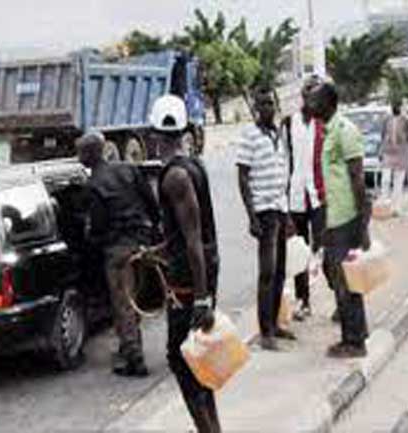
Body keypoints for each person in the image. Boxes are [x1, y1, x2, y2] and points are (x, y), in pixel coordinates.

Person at [150, 95, 221, 433]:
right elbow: (189, 234)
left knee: (181, 361)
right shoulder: (194, 166)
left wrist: (202, 299)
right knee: (198, 359)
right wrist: (161, 249)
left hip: (191, 281)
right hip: (200, 273)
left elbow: (193, 240)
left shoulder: (175, 176)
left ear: (154, 134)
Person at [76, 132, 160, 377]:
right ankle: (130, 347)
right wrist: (153, 230)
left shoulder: (94, 185)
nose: (79, 158)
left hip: (118, 250)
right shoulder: (128, 169)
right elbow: (151, 203)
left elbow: (99, 226)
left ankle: (134, 358)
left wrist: (92, 237)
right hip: (142, 245)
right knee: (135, 300)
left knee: (123, 303)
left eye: (81, 153)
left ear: (92, 153)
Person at [306, 82, 371, 358]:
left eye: (315, 100)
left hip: (348, 220)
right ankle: (355, 333)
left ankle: (354, 342)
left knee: (346, 282)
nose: (311, 105)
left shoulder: (345, 132)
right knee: (339, 278)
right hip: (335, 220)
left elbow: (358, 180)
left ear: (329, 103)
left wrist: (361, 226)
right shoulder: (328, 131)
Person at [236, 86, 296, 351]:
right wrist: (251, 216)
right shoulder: (249, 136)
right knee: (267, 272)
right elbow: (242, 177)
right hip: (264, 210)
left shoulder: (279, 135)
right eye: (263, 105)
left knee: (282, 270)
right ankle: (265, 331)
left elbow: (285, 171)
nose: (268, 108)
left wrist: (290, 213)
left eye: (271, 103)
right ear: (256, 109)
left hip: (281, 208)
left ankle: (275, 323)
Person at [286, 81, 326, 321]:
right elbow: (283, 160)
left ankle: (339, 297)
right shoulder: (289, 123)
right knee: (299, 252)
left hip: (319, 195)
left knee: (323, 248)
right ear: (303, 98)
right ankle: (304, 300)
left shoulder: (324, 124)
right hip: (296, 196)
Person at [379, 98, 408, 216]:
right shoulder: (386, 119)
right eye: (394, 105)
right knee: (385, 180)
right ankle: (384, 205)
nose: (395, 108)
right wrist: (381, 150)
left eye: (398, 106)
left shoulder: (406, 120)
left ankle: (396, 208)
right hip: (388, 152)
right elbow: (382, 134)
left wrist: (406, 148)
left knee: (398, 181)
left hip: (401, 153)